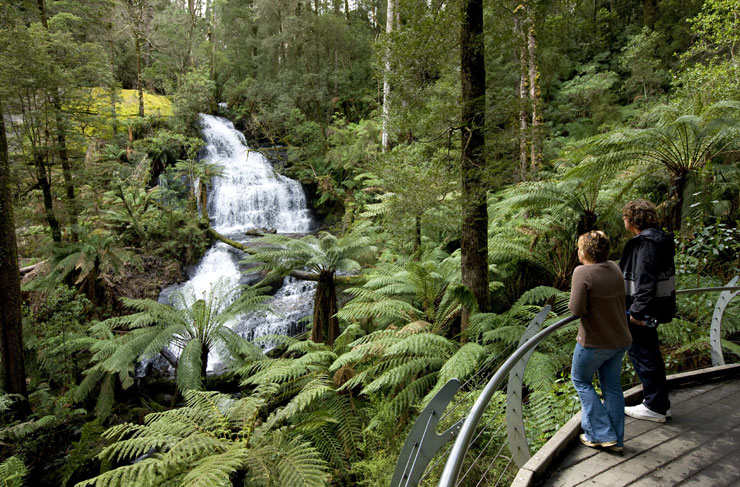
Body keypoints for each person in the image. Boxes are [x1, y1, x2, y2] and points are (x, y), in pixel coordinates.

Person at [569, 231, 632, 451]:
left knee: (580, 381)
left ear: (585, 251)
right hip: (620, 338)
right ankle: (616, 440)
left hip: (594, 342)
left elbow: (576, 309)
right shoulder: (614, 267)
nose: (577, 252)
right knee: (612, 387)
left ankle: (600, 434)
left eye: (579, 248)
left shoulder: (583, 272)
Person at [620, 199, 676, 423]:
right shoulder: (658, 238)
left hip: (643, 309)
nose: (623, 221)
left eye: (625, 217)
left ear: (633, 219)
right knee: (650, 352)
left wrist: (637, 310)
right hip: (655, 305)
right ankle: (659, 403)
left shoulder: (647, 243)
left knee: (643, 354)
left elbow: (645, 278)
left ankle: (655, 406)